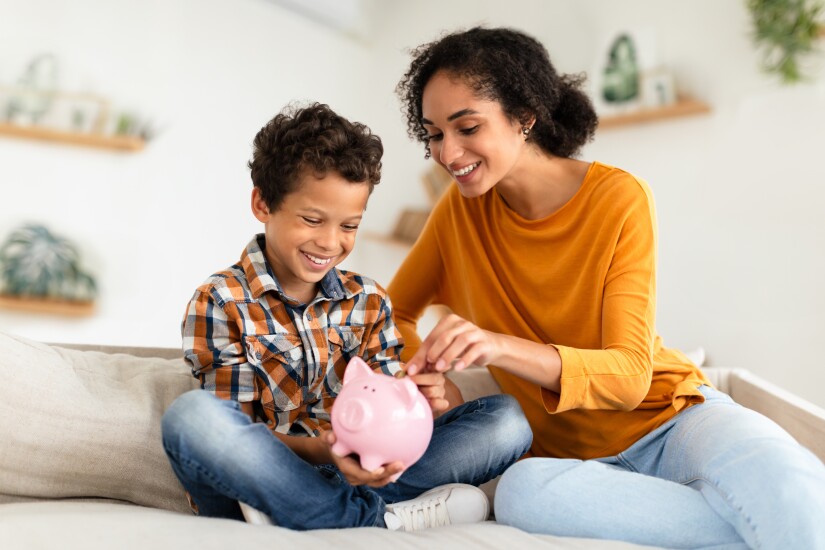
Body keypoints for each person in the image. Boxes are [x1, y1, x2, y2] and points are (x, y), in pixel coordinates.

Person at [389, 27, 825, 548]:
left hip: (674, 423)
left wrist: (499, 347)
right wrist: (431, 383)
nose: (447, 152)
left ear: (524, 116)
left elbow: (630, 376)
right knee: (519, 492)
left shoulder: (618, 197)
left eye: (467, 127)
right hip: (571, 467)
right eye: (434, 134)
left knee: (787, 483)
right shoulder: (456, 216)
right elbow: (390, 315)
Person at [161, 102, 532, 532]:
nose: (329, 242)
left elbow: (388, 413)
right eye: (312, 219)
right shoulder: (221, 300)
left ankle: (325, 512)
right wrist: (325, 452)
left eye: (349, 226)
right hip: (269, 476)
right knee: (191, 417)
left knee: (507, 421)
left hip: (360, 473)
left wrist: (419, 402)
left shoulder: (368, 300)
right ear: (262, 204)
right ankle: (371, 519)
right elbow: (238, 430)